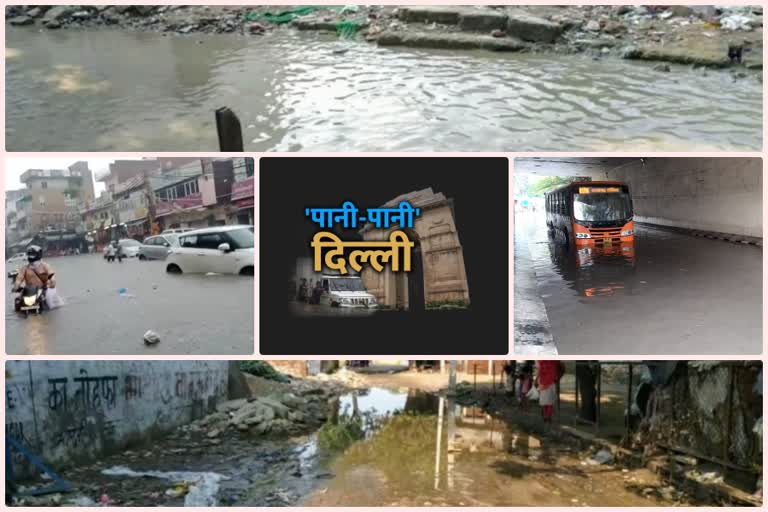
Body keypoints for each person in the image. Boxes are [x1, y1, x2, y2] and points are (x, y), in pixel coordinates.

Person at [13, 246, 56, 310]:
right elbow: (19, 279)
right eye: (30, 254)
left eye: (33, 254)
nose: (31, 256)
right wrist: (16, 286)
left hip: (42, 289)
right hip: (28, 291)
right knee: (18, 300)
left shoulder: (45, 266)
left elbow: (51, 276)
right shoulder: (25, 268)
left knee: (48, 303)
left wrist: (52, 283)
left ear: (38, 254)